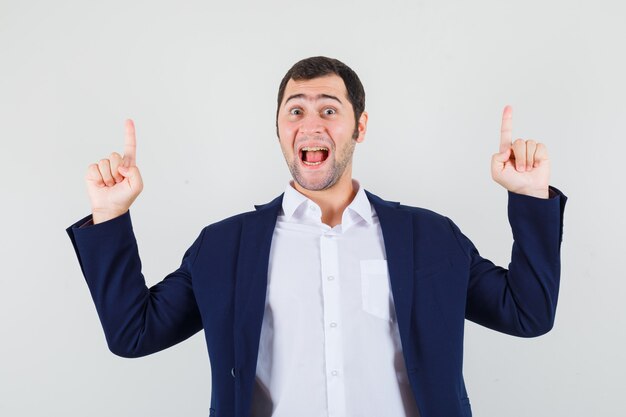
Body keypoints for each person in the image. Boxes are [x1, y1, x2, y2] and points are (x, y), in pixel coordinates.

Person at [66, 56, 567, 417]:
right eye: (295, 110)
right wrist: (109, 216)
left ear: (359, 126)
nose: (311, 124)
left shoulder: (431, 237)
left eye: (329, 109)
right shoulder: (223, 247)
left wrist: (529, 198)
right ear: (279, 128)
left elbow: (527, 314)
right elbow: (135, 334)